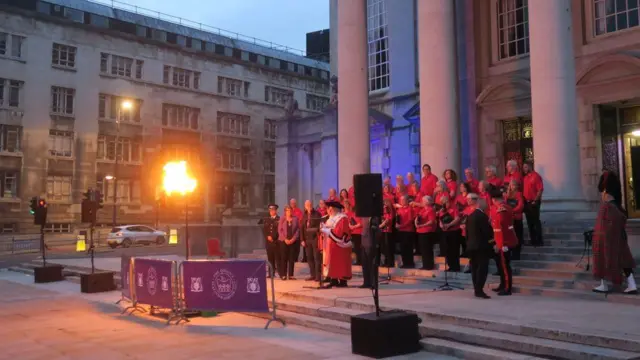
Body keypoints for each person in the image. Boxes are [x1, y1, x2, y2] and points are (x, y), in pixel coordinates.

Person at [592, 171, 637, 294]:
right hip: (618, 237)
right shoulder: (617, 206)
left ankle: (604, 284)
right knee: (624, 258)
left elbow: (604, 225)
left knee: (602, 258)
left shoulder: (608, 207)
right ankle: (631, 284)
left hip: (607, 238)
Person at [464, 193, 494, 299]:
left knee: (474, 268)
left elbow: (467, 233)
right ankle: (479, 289)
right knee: (482, 268)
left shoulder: (470, 216)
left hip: (471, 246)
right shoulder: (483, 216)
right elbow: (486, 233)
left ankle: (476, 288)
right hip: (481, 246)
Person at [489, 189, 518, 296]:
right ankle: (503, 284)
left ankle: (507, 288)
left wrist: (501, 244)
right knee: (501, 266)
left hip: (504, 242)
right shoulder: (502, 208)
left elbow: (503, 228)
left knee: (505, 266)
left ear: (494, 199)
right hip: (500, 240)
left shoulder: (502, 210)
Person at [320, 200, 353, 288]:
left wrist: (326, 230)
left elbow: (339, 233)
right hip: (331, 245)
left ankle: (342, 281)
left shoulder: (342, 218)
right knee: (332, 263)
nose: (328, 211)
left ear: (334, 209)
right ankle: (333, 280)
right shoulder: (331, 218)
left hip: (340, 246)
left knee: (340, 263)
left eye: (329, 209)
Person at [522, 161, 544, 246]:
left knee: (535, 221)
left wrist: (535, 200)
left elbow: (540, 189)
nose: (524, 169)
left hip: (534, 202)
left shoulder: (536, 176)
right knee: (529, 222)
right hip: (526, 202)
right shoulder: (525, 178)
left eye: (526, 167)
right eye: (524, 167)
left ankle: (539, 240)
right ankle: (533, 241)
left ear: (530, 167)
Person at [438, 195, 462, 272]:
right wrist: (441, 225)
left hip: (454, 231)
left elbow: (457, 218)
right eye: (442, 203)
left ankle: (455, 267)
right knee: (447, 250)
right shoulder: (442, 210)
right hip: (445, 232)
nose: (443, 204)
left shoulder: (454, 208)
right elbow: (440, 220)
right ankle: (450, 265)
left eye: (444, 202)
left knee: (454, 249)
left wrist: (449, 225)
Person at [504, 180, 525, 260]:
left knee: (517, 236)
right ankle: (511, 253)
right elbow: (505, 204)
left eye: (514, 185)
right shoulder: (507, 195)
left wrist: (512, 211)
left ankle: (516, 254)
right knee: (510, 237)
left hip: (517, 218)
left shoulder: (519, 194)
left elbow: (520, 205)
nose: (512, 186)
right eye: (511, 185)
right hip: (509, 219)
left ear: (516, 186)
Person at [301, 200, 322, 282]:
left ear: (312, 205)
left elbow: (318, 226)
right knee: (309, 258)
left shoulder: (317, 214)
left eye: (309, 204)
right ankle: (312, 275)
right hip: (307, 239)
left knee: (317, 258)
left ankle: (318, 276)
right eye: (306, 205)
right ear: (305, 206)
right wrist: (302, 239)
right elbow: (302, 227)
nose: (308, 206)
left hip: (315, 239)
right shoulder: (304, 215)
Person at [278, 205, 300, 280]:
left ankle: (291, 275)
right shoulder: (282, 219)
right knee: (284, 258)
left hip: (292, 241)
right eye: (287, 210)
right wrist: (285, 239)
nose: (289, 212)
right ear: (285, 212)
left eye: (290, 210)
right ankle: (283, 274)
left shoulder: (295, 219)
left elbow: (297, 230)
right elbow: (280, 230)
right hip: (283, 241)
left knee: (291, 258)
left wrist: (293, 239)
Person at [415, 195, 437, 270]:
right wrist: (416, 223)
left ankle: (429, 265)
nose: (422, 202)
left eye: (423, 201)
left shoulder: (431, 210)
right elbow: (417, 218)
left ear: (427, 202)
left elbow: (431, 221)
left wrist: (422, 225)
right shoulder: (422, 210)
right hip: (421, 231)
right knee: (423, 249)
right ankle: (425, 264)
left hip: (427, 231)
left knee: (427, 249)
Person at [395, 195, 416, 268]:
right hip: (401, 231)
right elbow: (398, 219)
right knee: (403, 248)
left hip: (408, 231)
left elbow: (410, 220)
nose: (402, 202)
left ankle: (410, 263)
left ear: (407, 201)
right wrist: (397, 224)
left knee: (408, 248)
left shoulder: (410, 209)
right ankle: (405, 263)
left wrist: (401, 226)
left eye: (403, 200)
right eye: (401, 200)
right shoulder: (399, 210)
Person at [260, 204, 280, 278]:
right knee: (270, 258)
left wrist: (273, 237)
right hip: (268, 242)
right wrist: (267, 236)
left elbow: (279, 231)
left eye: (273, 210)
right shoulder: (266, 219)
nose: (271, 211)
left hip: (276, 242)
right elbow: (264, 230)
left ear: (275, 210)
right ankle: (271, 273)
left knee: (277, 258)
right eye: (270, 210)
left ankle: (280, 272)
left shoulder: (279, 219)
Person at [345, 200, 363, 266]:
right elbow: (349, 221)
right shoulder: (352, 214)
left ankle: (360, 261)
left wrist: (354, 226)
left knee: (358, 248)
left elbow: (361, 223)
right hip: (353, 232)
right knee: (355, 248)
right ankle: (358, 260)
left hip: (358, 233)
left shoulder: (359, 214)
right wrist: (350, 226)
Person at [359, 216, 375, 289]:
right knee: (364, 264)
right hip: (364, 242)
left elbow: (376, 230)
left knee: (371, 264)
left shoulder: (373, 218)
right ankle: (366, 282)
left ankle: (373, 283)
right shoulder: (364, 217)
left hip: (370, 243)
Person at [380, 199, 395, 267]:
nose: (384, 206)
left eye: (385, 205)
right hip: (383, 231)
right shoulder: (384, 213)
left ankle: (390, 262)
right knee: (384, 248)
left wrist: (380, 226)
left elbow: (388, 221)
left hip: (388, 231)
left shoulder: (390, 213)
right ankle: (386, 261)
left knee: (388, 248)